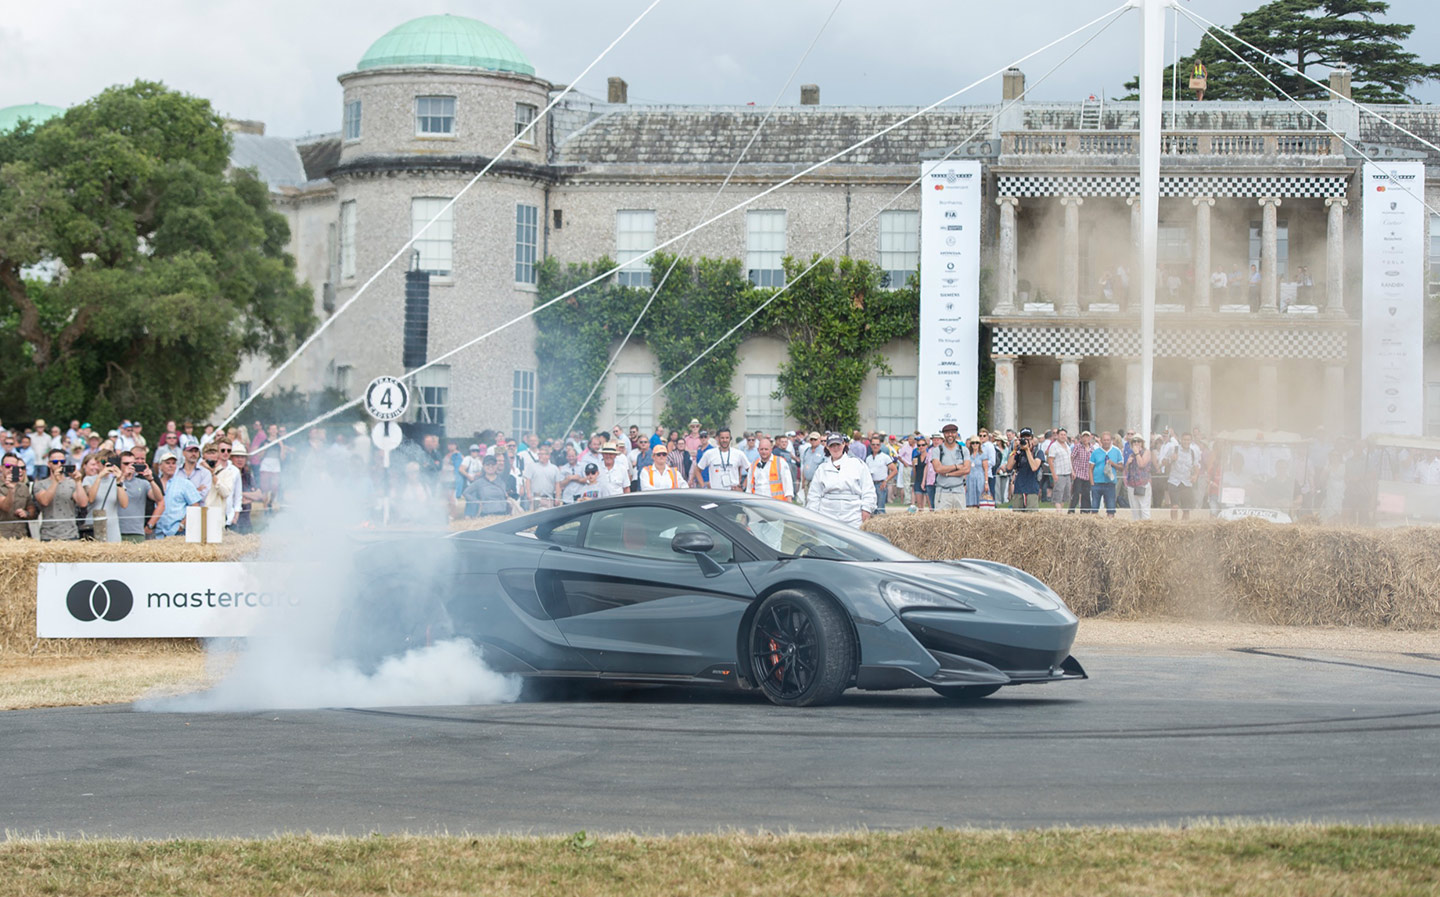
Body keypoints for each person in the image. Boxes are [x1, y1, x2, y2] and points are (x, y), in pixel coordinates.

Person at [805, 433, 875, 527]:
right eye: (832, 445)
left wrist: (867, 509)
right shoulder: (822, 469)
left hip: (853, 516)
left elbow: (868, 489)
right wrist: (813, 516)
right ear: (827, 447)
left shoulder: (857, 464)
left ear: (844, 445)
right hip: (827, 515)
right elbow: (814, 495)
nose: (835, 448)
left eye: (838, 444)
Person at [149, 453, 205, 538]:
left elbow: (196, 506)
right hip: (157, 531)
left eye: (173, 463)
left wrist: (182, 524)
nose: (171, 466)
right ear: (160, 466)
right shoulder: (154, 483)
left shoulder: (185, 483)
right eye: (167, 463)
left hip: (178, 532)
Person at [37, 450, 88, 541]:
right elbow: (44, 501)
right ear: (49, 464)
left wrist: (78, 482)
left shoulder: (72, 483)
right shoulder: (41, 484)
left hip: (70, 533)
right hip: (48, 535)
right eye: (55, 462)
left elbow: (83, 503)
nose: (59, 464)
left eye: (62, 462)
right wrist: (56, 481)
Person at [82, 452, 128, 542]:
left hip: (112, 528)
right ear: (97, 463)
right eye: (103, 462)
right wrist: (99, 477)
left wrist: (119, 482)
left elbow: (124, 504)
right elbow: (91, 498)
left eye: (110, 462)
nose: (106, 465)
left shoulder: (116, 481)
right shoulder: (88, 479)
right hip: (93, 526)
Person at [1161, 430, 1203, 520]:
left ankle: (1184, 528)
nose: (1186, 442)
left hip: (1187, 482)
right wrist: (1170, 459)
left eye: (1188, 440)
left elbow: (1197, 465)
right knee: (1174, 506)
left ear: (1191, 441)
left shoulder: (1193, 452)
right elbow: (1163, 462)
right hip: (1174, 480)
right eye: (1184, 440)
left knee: (1186, 509)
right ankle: (1174, 526)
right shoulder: (1173, 449)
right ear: (1181, 440)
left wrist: (1195, 475)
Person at [930, 423, 970, 510]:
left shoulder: (963, 450)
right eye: (947, 433)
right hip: (942, 491)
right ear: (944, 435)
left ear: (956, 434)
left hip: (959, 490)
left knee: (961, 519)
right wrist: (956, 466)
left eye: (953, 432)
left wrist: (948, 474)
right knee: (941, 520)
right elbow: (937, 469)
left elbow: (967, 469)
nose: (950, 435)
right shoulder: (937, 450)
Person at [0, 452, 37, 538]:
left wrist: (26, 513)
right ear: (1, 468)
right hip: (2, 536)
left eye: (15, 467)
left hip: (21, 535)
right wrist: (11, 489)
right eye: (8, 466)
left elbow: (32, 509)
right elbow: (5, 507)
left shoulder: (23, 487)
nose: (11, 469)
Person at [1006, 428, 1044, 510]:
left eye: (1028, 438)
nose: (1026, 440)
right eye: (1023, 438)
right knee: (1017, 517)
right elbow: (1009, 467)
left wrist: (1027, 450)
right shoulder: (1018, 452)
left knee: (1031, 518)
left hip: (1032, 489)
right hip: (1018, 489)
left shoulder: (1038, 452)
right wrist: (1014, 449)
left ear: (1032, 439)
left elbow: (1034, 467)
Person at [747, 436, 794, 501]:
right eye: (761, 449)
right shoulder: (753, 465)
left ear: (771, 449)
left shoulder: (780, 462)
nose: (764, 452)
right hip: (757, 503)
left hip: (776, 504)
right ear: (758, 450)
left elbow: (788, 484)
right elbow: (749, 488)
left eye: (766, 449)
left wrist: (789, 501)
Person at [1089, 431, 1124, 516]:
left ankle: (1110, 523)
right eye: (1104, 440)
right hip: (1097, 483)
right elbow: (1090, 469)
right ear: (1101, 440)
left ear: (1111, 440)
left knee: (1111, 508)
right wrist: (1092, 483)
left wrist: (1113, 464)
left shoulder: (1116, 451)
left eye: (1108, 440)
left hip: (1110, 483)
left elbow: (1121, 468)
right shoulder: (1095, 452)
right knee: (1094, 508)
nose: (1106, 442)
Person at [1123, 435, 1153, 520]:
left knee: (1144, 509)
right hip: (1132, 485)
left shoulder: (1146, 452)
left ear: (1142, 443)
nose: (1136, 443)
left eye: (1138, 441)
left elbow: (1142, 464)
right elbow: (1126, 470)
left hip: (1142, 484)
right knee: (1135, 511)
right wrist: (1128, 463)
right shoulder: (1131, 454)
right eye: (1134, 442)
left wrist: (1137, 453)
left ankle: (1146, 529)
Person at [523, 444, 562, 509]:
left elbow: (557, 484)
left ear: (548, 456)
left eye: (542, 454)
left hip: (549, 499)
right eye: (539, 454)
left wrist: (557, 497)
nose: (540, 456)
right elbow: (528, 480)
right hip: (535, 499)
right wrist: (529, 494)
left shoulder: (554, 468)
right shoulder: (532, 466)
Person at [865, 437, 896, 514]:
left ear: (880, 445)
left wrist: (886, 481)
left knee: (880, 508)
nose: (875, 446)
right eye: (873, 444)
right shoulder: (868, 458)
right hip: (871, 485)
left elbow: (894, 470)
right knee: (872, 508)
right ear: (871, 446)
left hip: (881, 484)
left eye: (877, 444)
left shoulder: (885, 457)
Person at [1047, 429, 1073, 511]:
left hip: (1067, 473)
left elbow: (1070, 460)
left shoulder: (1067, 446)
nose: (1063, 436)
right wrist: (1054, 474)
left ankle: (1059, 510)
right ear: (1057, 436)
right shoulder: (1054, 446)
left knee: (1066, 495)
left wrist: (1072, 471)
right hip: (1059, 473)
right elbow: (1050, 460)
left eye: (1064, 435)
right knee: (1058, 494)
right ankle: (1059, 511)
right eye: (1061, 434)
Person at [1069, 432, 1094, 513]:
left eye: (1087, 437)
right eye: (1084, 437)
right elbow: (1071, 458)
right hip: (1078, 474)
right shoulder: (1078, 447)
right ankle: (1071, 510)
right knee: (1076, 493)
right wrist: (1072, 471)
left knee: (1086, 494)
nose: (1085, 438)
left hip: (1087, 475)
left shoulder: (1092, 448)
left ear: (1090, 438)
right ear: (1081, 438)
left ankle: (1085, 511)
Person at [965, 437, 990, 507]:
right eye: (973, 443)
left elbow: (985, 469)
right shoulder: (968, 455)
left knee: (981, 498)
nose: (975, 444)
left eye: (976, 443)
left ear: (979, 444)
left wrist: (986, 482)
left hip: (980, 479)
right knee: (969, 498)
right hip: (969, 478)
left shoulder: (983, 455)